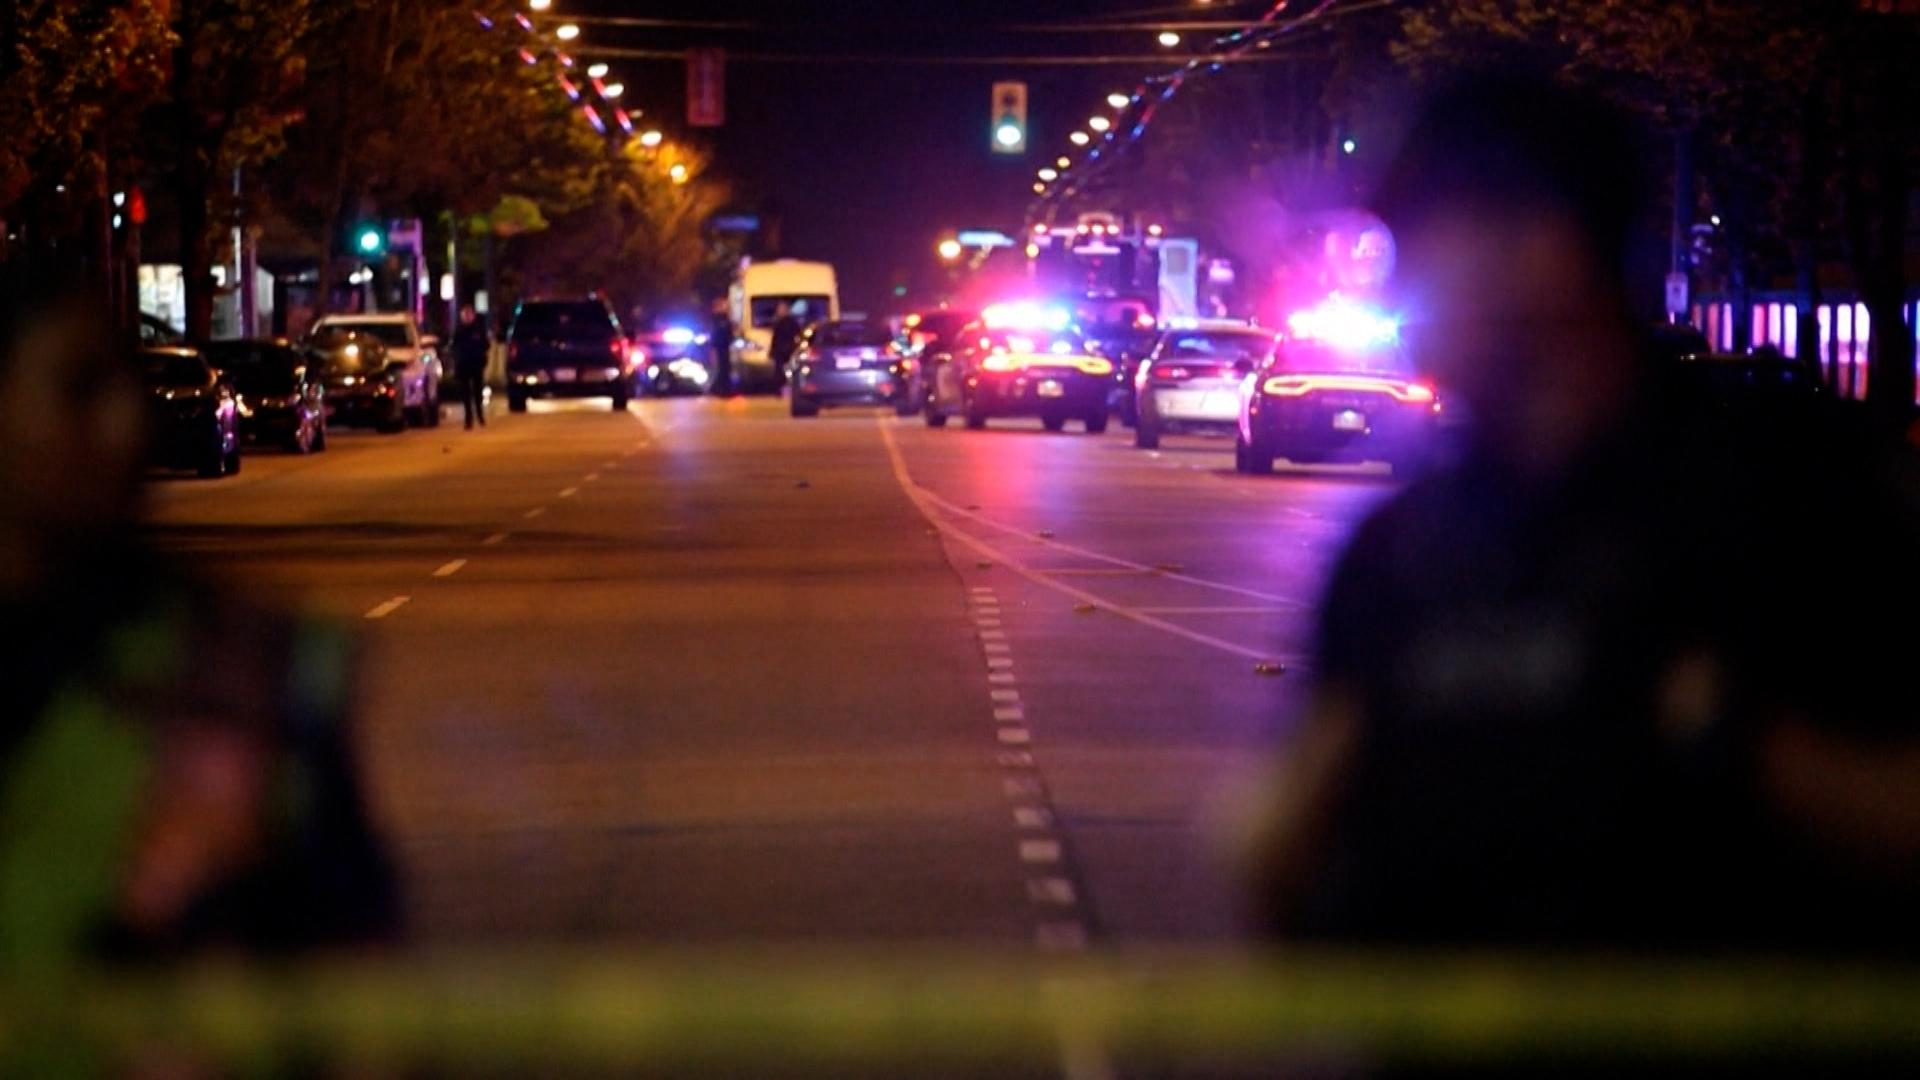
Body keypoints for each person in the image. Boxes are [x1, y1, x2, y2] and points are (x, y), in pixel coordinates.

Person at [1246, 73, 1920, 953]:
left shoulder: (1798, 496)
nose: (1400, 277)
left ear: (1548, 244)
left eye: (1418, 239)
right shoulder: (1403, 547)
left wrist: (1719, 737)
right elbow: (1286, 849)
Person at [0, 275, 398, 967]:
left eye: (124, 384)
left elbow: (354, 967)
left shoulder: (245, 660)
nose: (127, 424)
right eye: (80, 388)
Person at [451, 303, 491, 429]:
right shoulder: (459, 331)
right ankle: (468, 419)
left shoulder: (478, 329)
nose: (467, 317)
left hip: (476, 365)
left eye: (469, 314)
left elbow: (486, 344)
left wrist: (481, 355)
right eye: (465, 314)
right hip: (463, 365)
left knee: (477, 392)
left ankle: (480, 416)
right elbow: (454, 347)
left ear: (473, 315)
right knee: (465, 393)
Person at [768, 301, 802, 388]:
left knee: (783, 372)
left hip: (785, 352)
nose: (778, 311)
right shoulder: (782, 322)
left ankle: (784, 387)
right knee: (783, 372)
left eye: (780, 309)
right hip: (785, 352)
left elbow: (778, 339)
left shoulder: (786, 323)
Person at [708, 296, 734, 397]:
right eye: (724, 305)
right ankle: (721, 389)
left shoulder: (722, 319)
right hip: (721, 348)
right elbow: (718, 334)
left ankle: (721, 389)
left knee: (724, 368)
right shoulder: (719, 320)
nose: (726, 306)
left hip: (723, 347)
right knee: (722, 369)